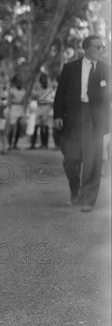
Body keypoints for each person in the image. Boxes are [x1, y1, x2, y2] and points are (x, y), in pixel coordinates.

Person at [53, 35, 110, 212]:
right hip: (73, 117)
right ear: (86, 48)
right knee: (71, 159)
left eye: (103, 47)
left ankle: (88, 199)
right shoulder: (70, 68)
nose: (102, 50)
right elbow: (60, 93)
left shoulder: (106, 69)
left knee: (93, 160)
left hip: (96, 119)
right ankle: (75, 189)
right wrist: (58, 115)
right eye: (98, 47)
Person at [30, 72, 54, 149]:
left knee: (45, 124)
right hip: (39, 105)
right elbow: (33, 94)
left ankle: (45, 144)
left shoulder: (49, 85)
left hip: (46, 106)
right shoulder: (38, 85)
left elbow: (50, 95)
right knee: (37, 124)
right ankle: (33, 144)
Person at [7, 74, 26, 150]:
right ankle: (9, 144)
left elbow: (24, 101)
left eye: (20, 81)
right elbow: (9, 101)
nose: (19, 82)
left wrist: (24, 111)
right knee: (11, 127)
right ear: (15, 82)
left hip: (20, 108)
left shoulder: (24, 91)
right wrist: (9, 110)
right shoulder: (12, 90)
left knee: (19, 127)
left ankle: (15, 144)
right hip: (13, 108)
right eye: (18, 81)